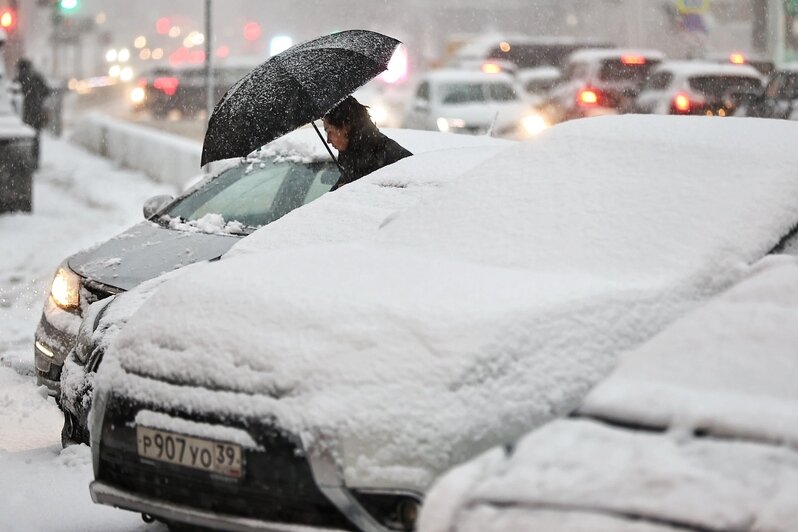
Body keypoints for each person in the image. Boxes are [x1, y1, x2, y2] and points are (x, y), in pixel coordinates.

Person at [322, 96, 411, 190]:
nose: (328, 140)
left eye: (329, 132)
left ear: (345, 127)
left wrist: (355, 192)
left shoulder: (390, 155)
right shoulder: (351, 159)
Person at [15, 58, 51, 168]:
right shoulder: (36, 78)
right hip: (36, 113)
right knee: (35, 139)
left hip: (22, 115)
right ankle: (34, 162)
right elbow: (47, 91)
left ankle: (23, 162)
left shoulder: (17, 80)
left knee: (22, 140)